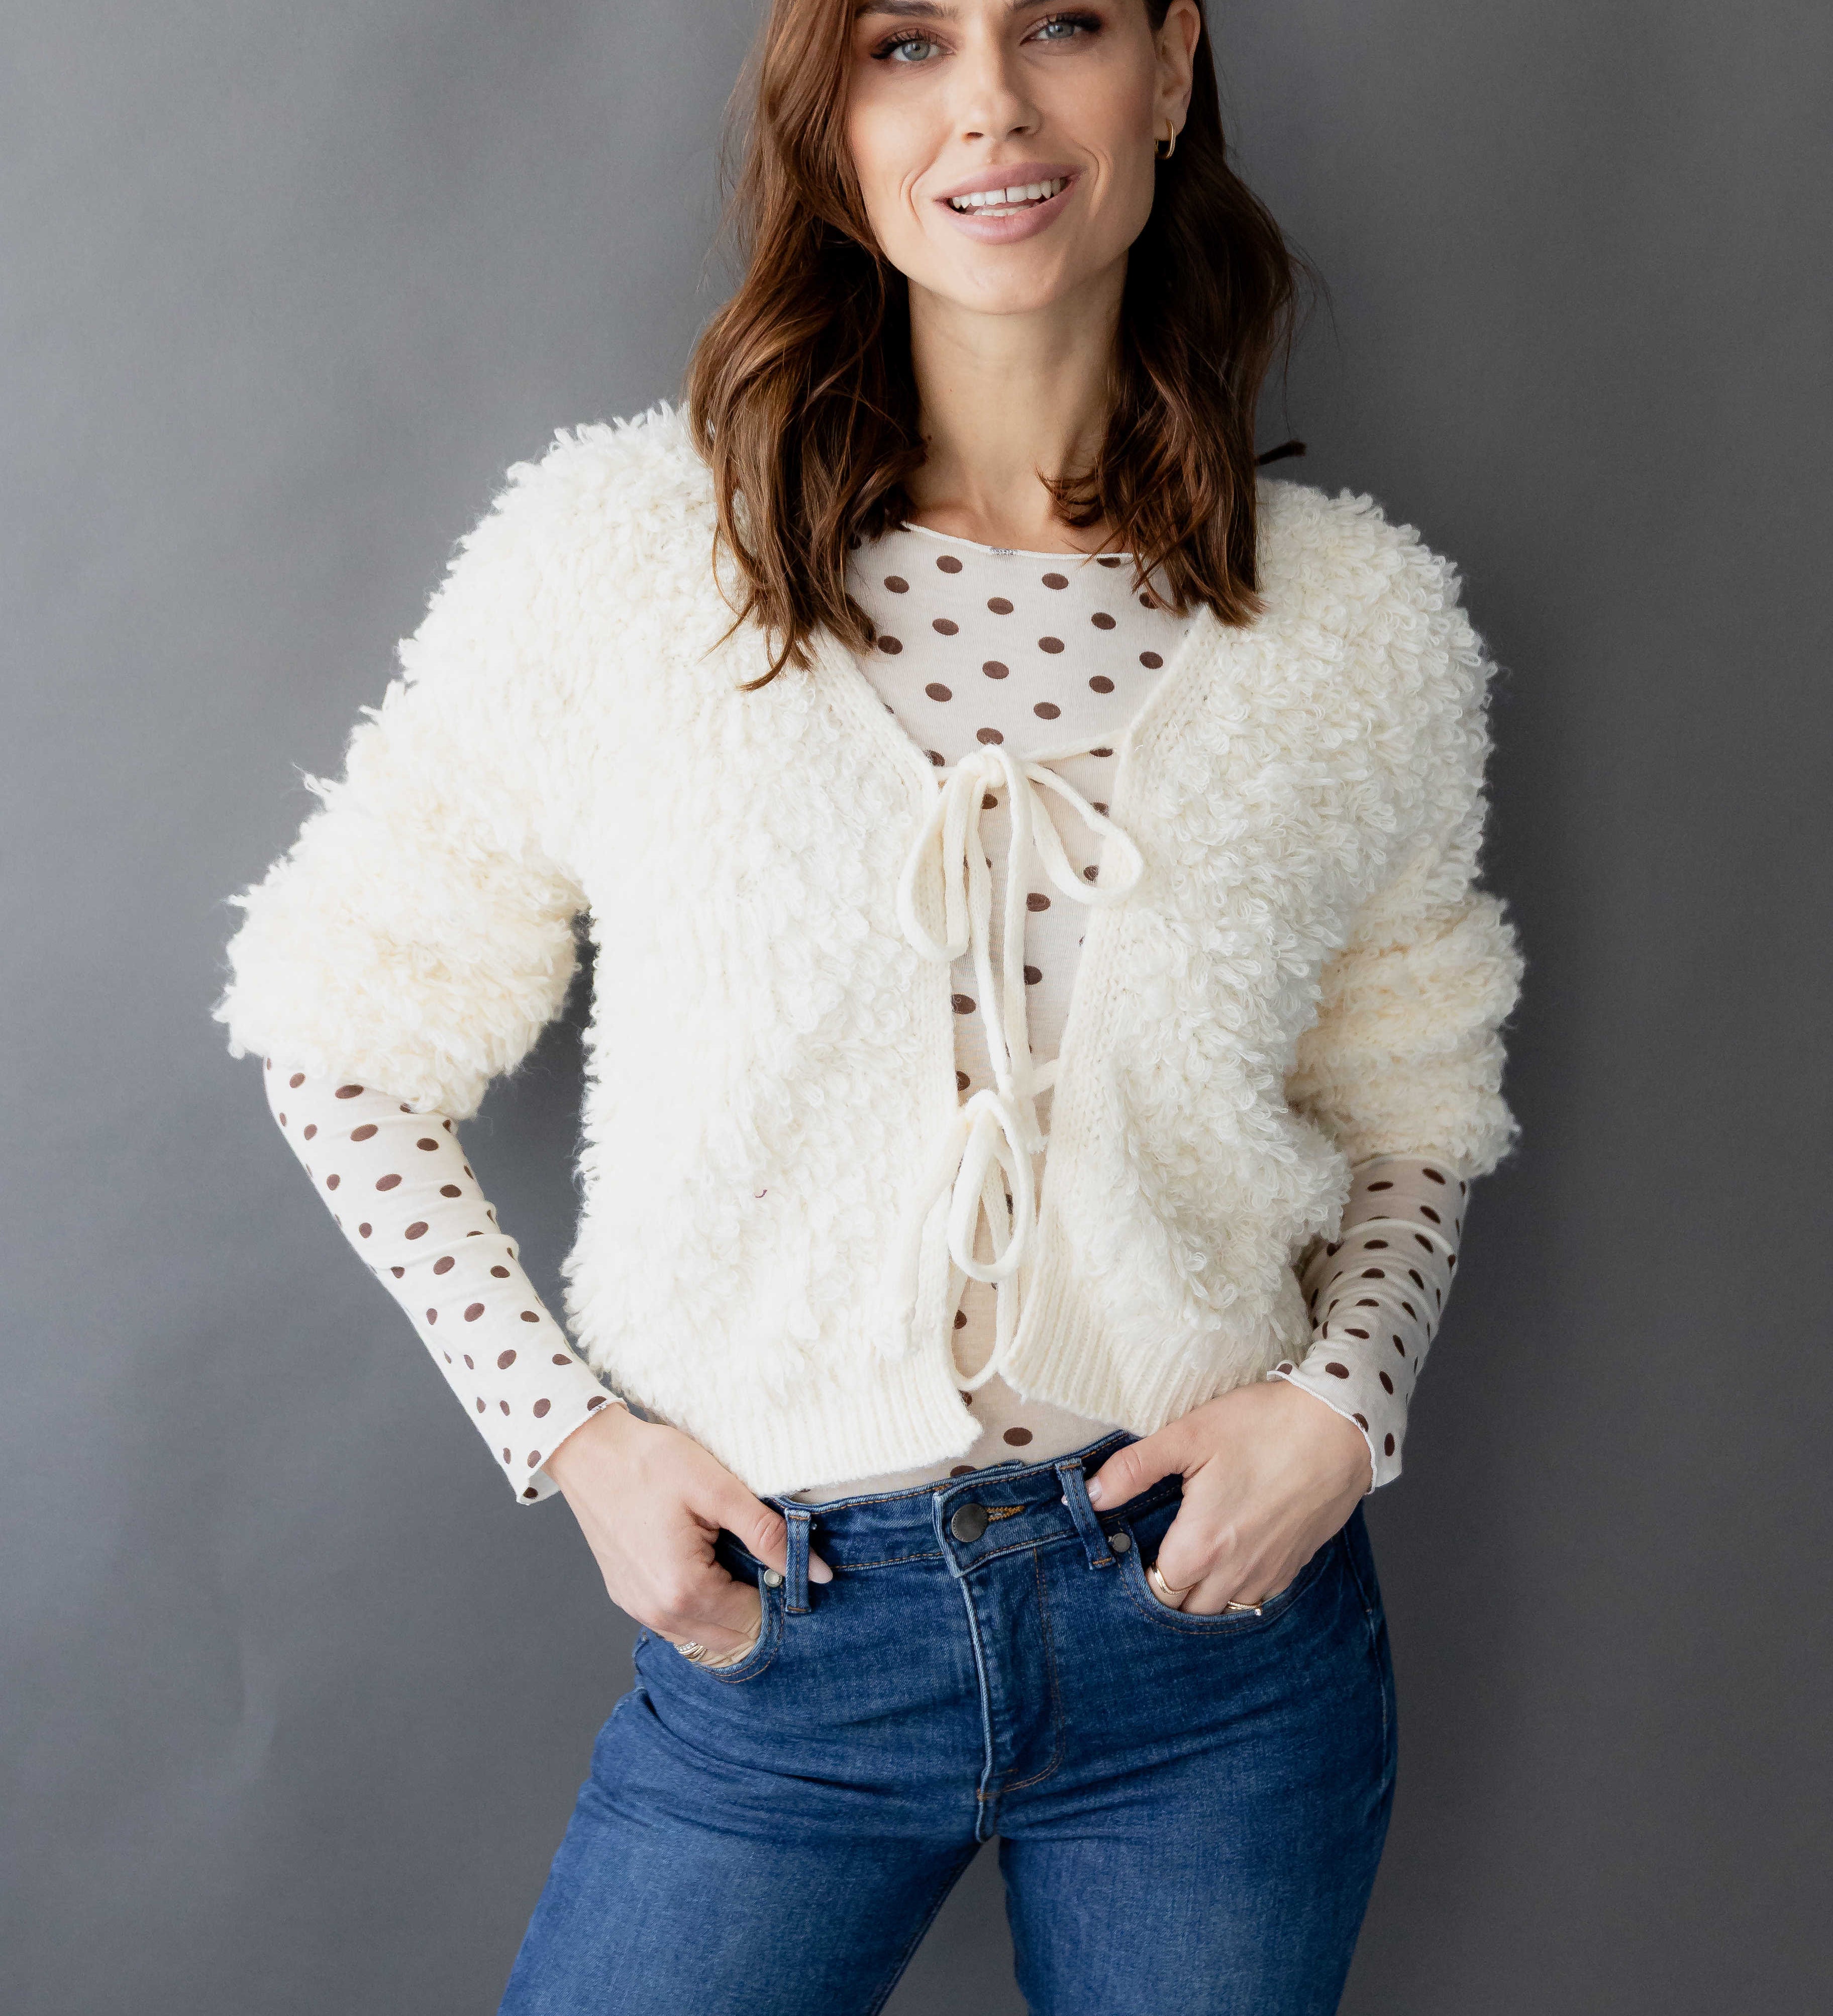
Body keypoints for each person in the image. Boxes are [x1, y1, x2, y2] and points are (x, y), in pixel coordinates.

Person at [212, 1, 1524, 2009]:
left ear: (1170, 67)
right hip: (797, 1636)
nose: (991, 103)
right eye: (908, 41)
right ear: (830, 110)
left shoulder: (1356, 621)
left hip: (1220, 1640)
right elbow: (337, 1033)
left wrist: (1346, 1404)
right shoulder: (632, 557)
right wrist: (569, 1439)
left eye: (1060, 23)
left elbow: (1415, 1095)